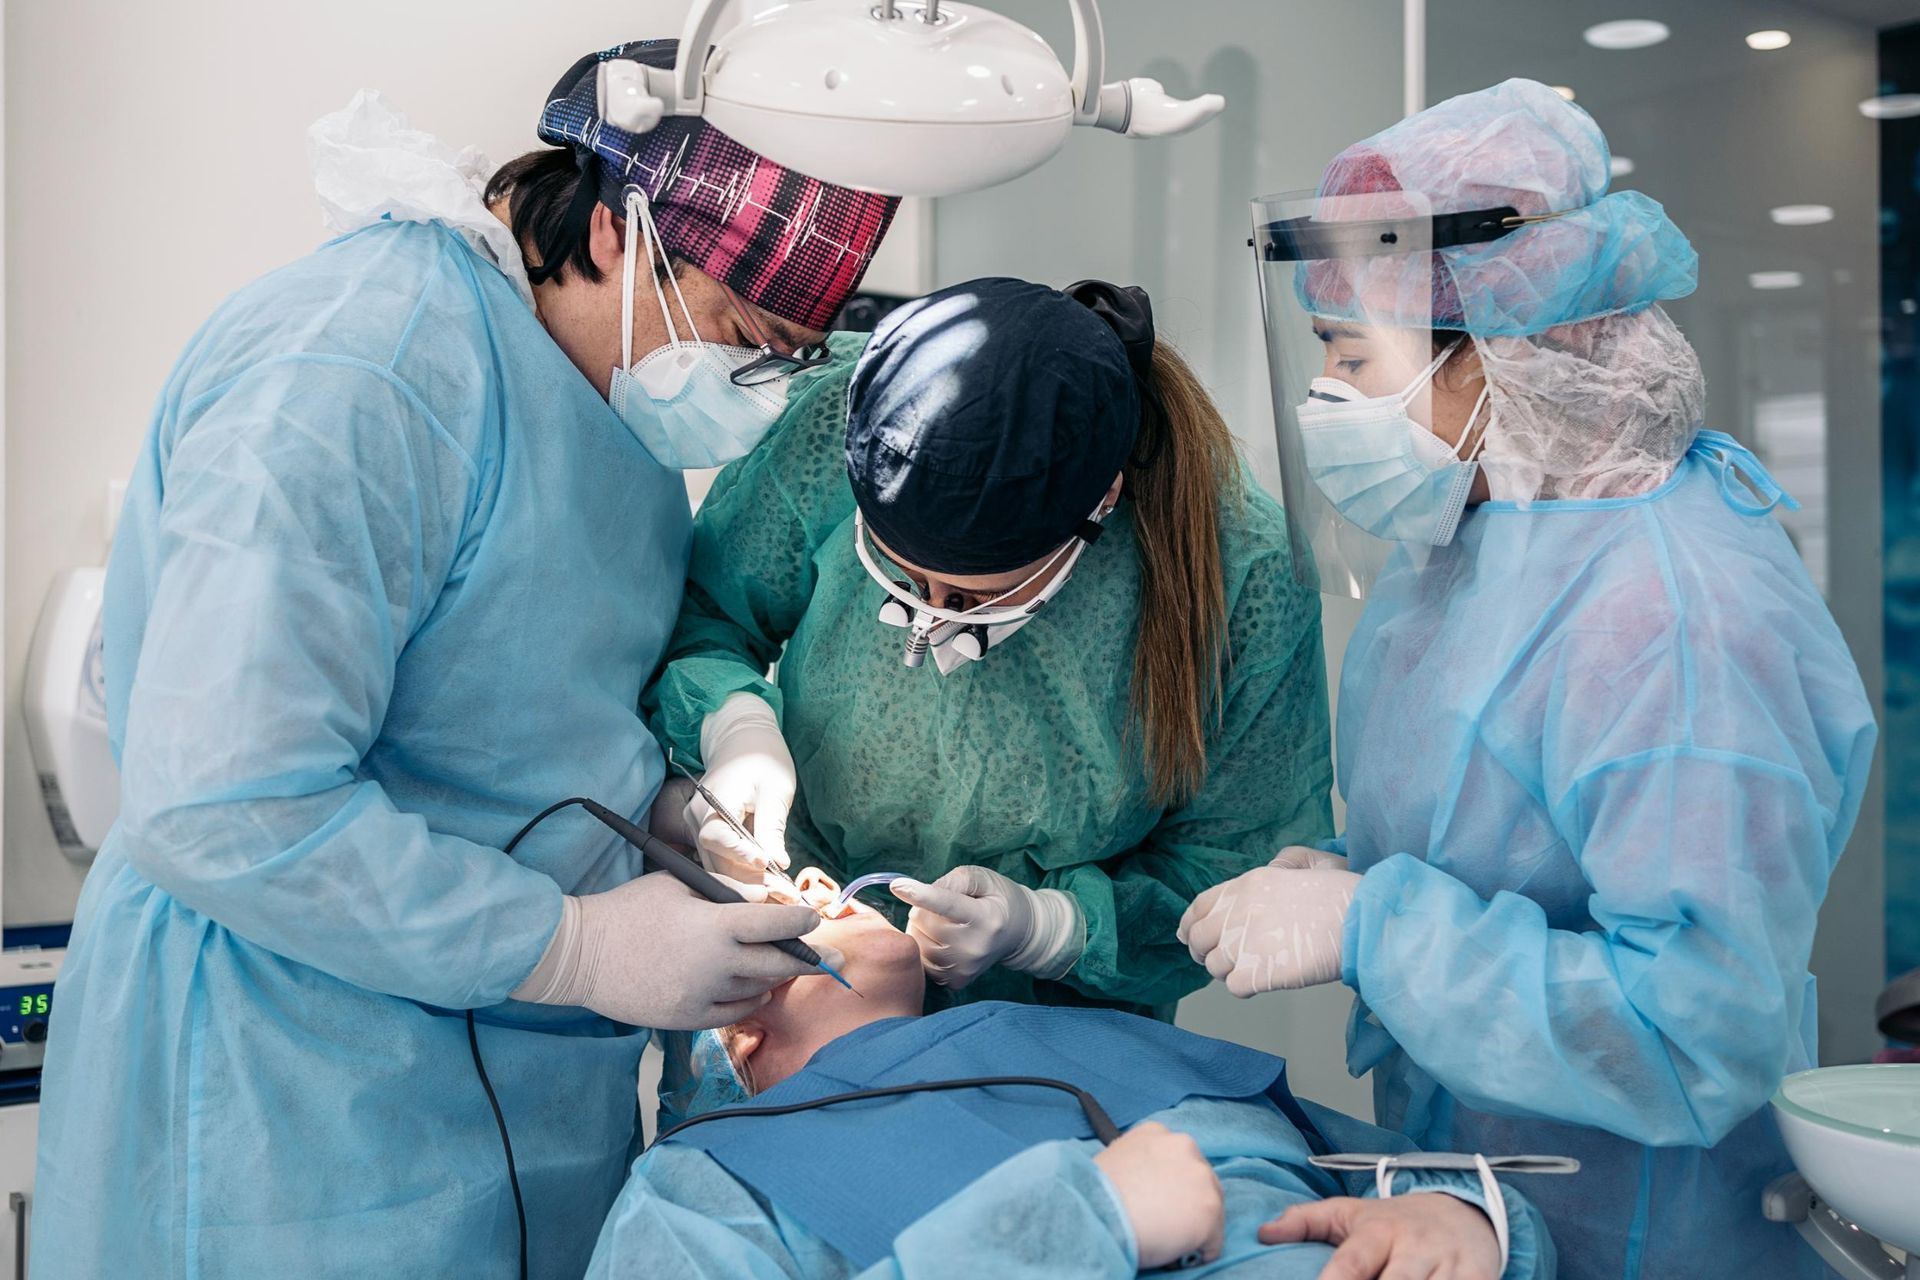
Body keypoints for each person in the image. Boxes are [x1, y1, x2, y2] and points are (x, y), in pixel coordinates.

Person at [32, 40, 898, 1280]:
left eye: (788, 359)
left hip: (504, 1106)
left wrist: (672, 811)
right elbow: (229, 799)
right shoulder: (359, 369)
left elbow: (512, 718)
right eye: (738, 333)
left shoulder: (601, 399)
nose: (748, 390)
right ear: (614, 232)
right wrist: (582, 947)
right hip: (288, 1098)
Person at [1180, 79, 1876, 1280]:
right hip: (1481, 1191)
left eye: (1356, 352)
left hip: (1644, 1226)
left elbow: (1697, 1028)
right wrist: (1361, 881)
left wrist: (1375, 925)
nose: (1328, 396)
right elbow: (1516, 835)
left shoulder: (1673, 618)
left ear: (1509, 354)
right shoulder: (1497, 534)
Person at [644, 277, 1332, 1062]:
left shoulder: (1242, 576)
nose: (927, 618)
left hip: (1062, 1046)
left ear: (1101, 501)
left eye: (969, 595)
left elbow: (1237, 867)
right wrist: (737, 728)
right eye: (900, 579)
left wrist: (1051, 928)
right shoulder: (836, 427)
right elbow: (706, 614)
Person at [585, 898, 1558, 1279]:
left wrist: (1463, 1216)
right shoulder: (700, 1186)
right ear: (735, 1032)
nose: (812, 886)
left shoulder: (1099, 1038)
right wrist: (1072, 1222)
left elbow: (1448, 1180)